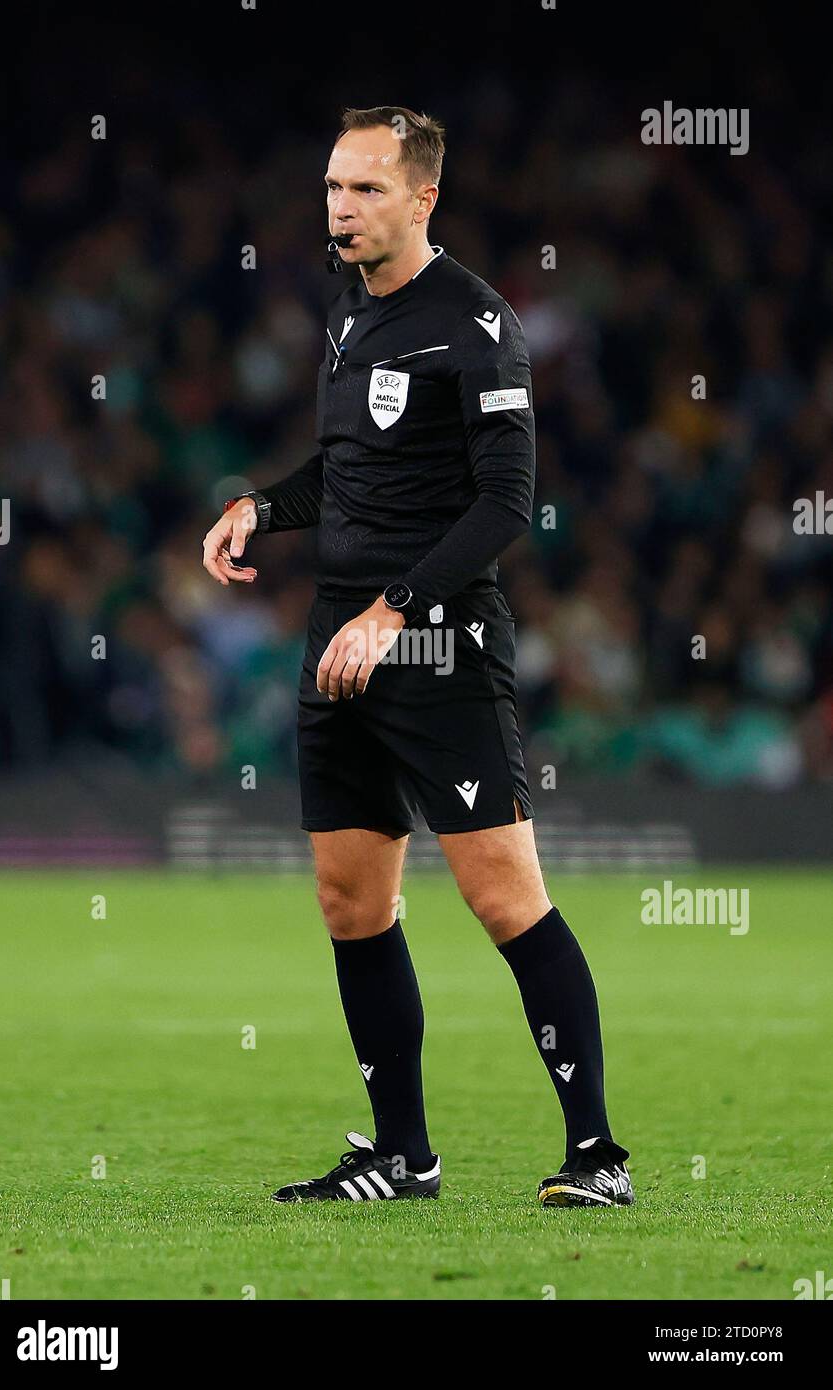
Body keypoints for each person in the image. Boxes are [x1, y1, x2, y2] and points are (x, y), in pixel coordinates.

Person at [202, 106, 633, 1208]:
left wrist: (394, 609)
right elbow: (346, 473)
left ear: (422, 197)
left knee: (505, 899)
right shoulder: (349, 315)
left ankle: (595, 1156)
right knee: (352, 904)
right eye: (333, 189)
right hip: (337, 645)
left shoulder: (479, 327)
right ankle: (401, 1154)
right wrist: (262, 504)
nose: (340, 210)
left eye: (365, 190)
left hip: (435, 643)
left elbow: (506, 504)